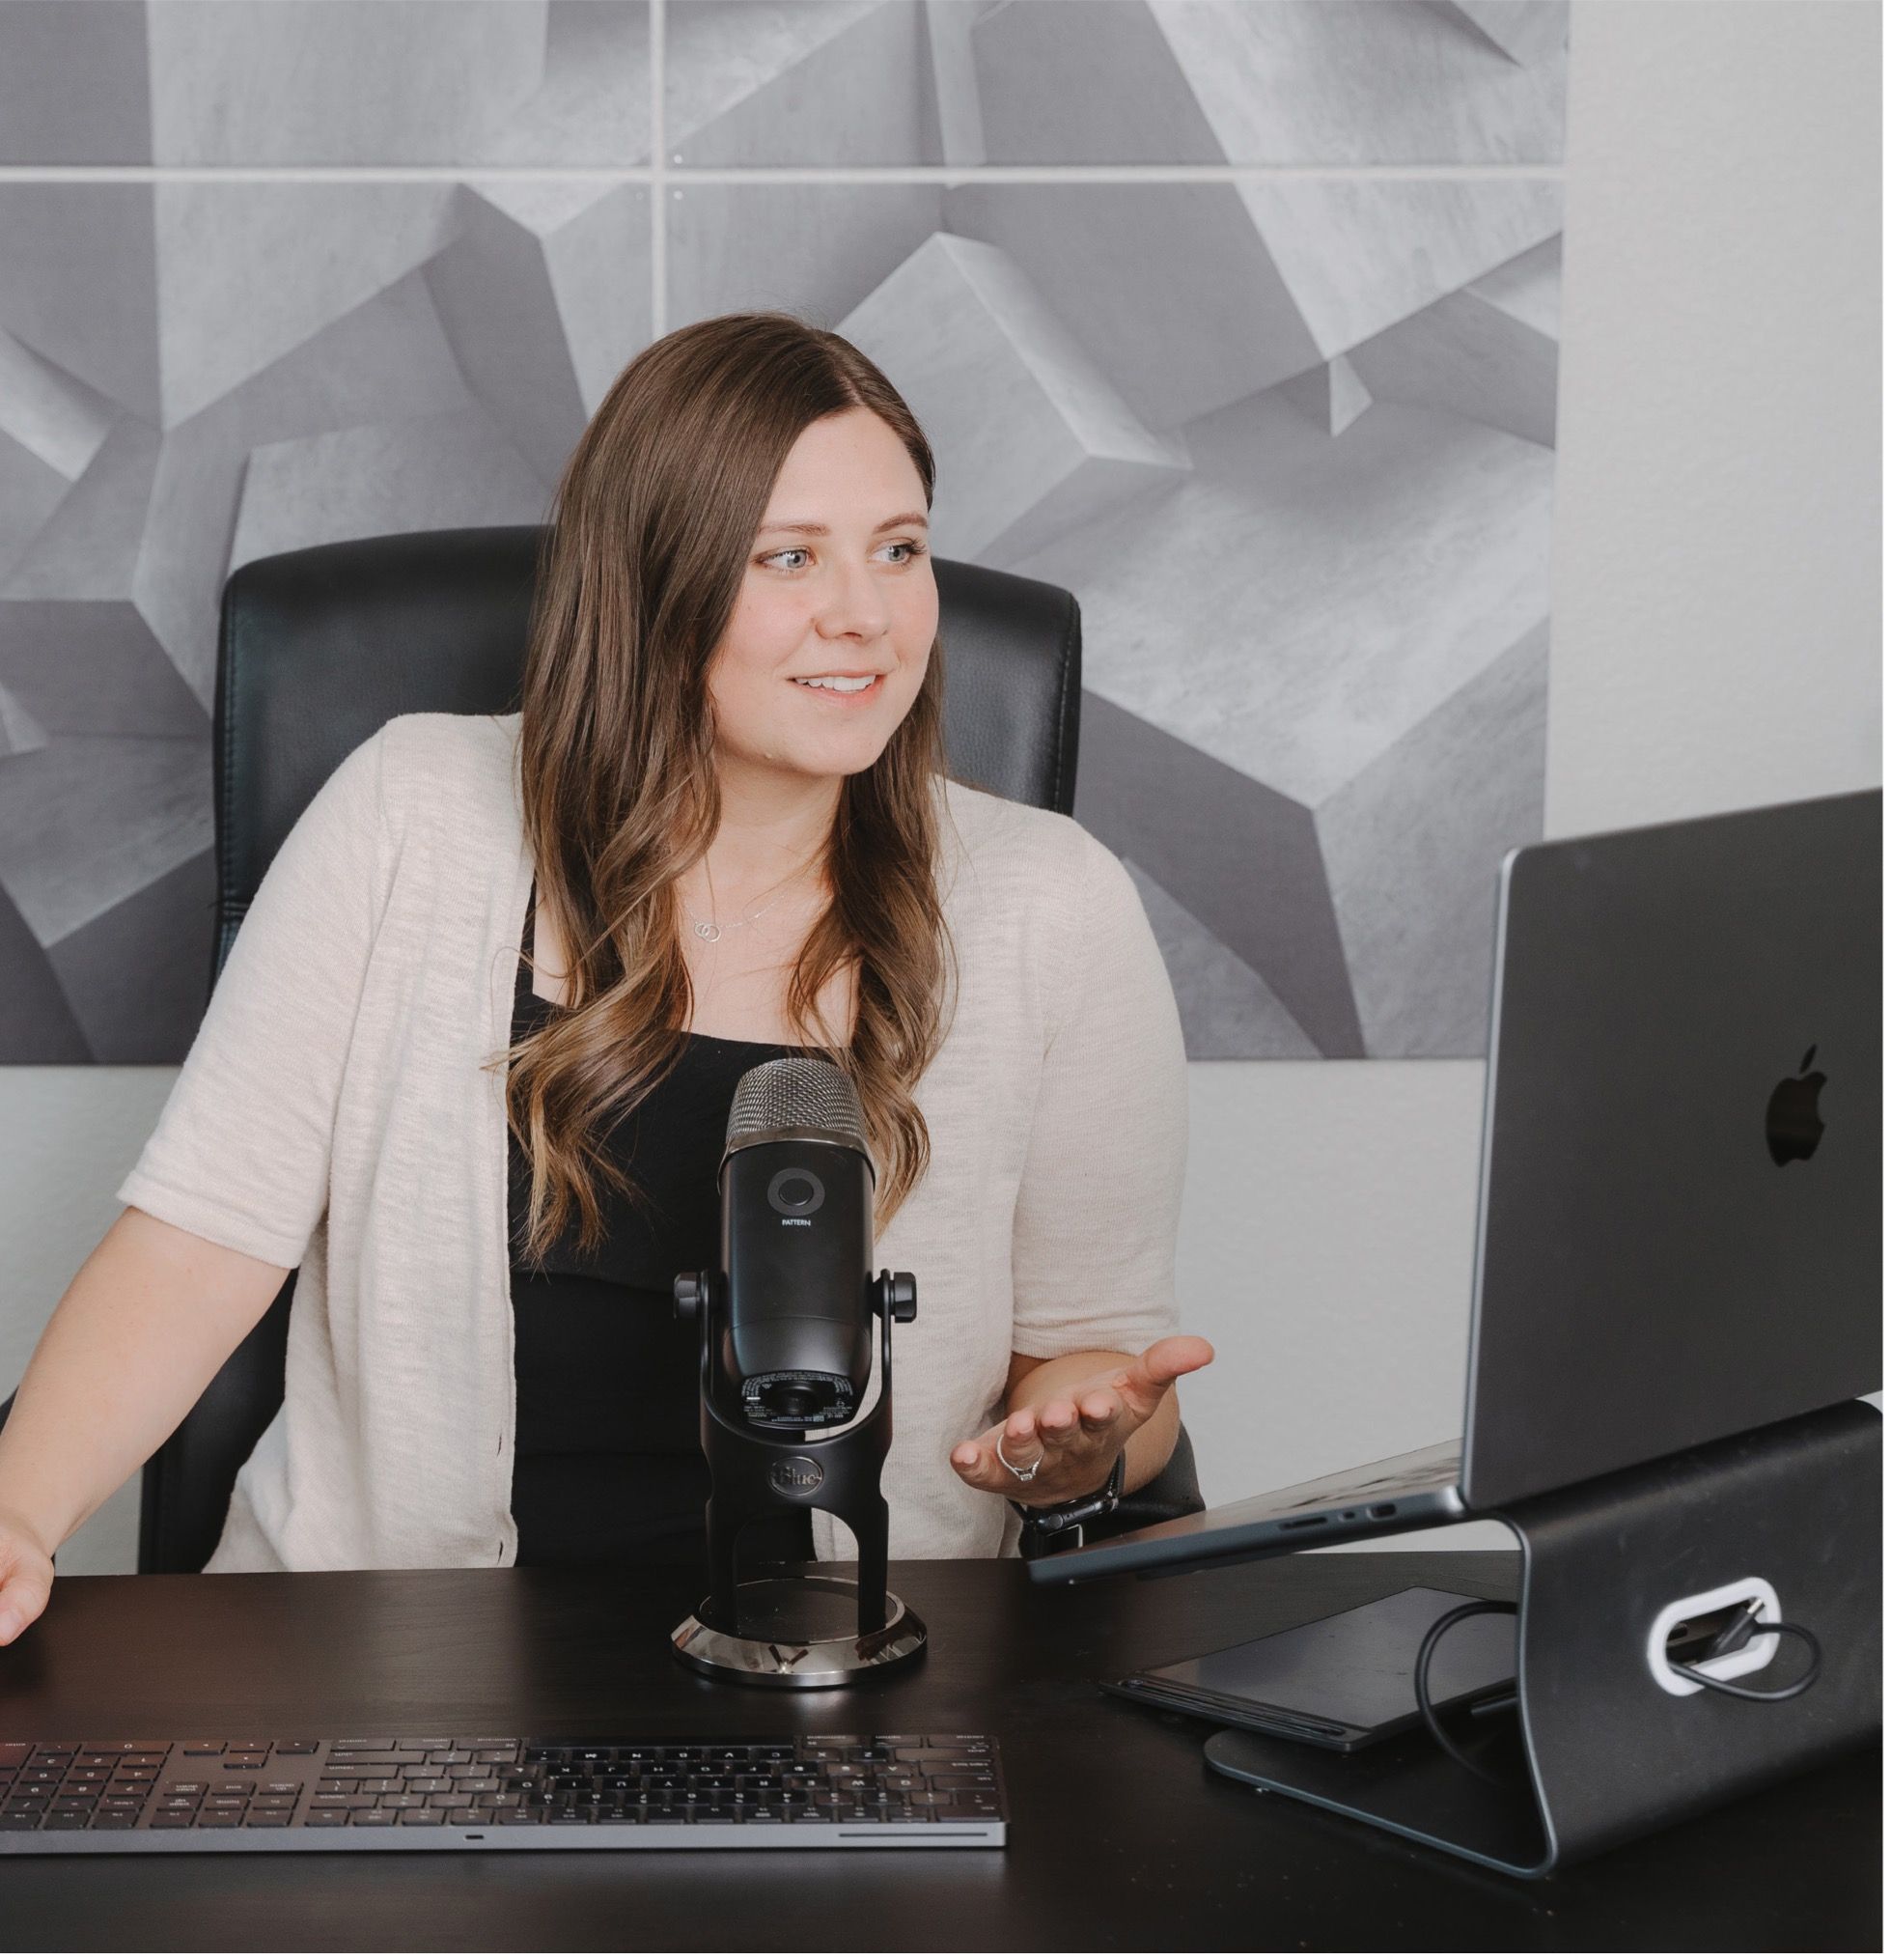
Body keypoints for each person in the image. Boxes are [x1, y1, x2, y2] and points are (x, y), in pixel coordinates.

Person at [0, 312, 1211, 1644]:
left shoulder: (1053, 901)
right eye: (789, 556)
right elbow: (196, 1247)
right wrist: (14, 1512)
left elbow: (1095, 1362)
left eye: (900, 549)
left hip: (850, 1669)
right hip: (394, 1658)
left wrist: (1086, 1438)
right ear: (651, 583)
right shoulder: (410, 812)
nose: (867, 615)